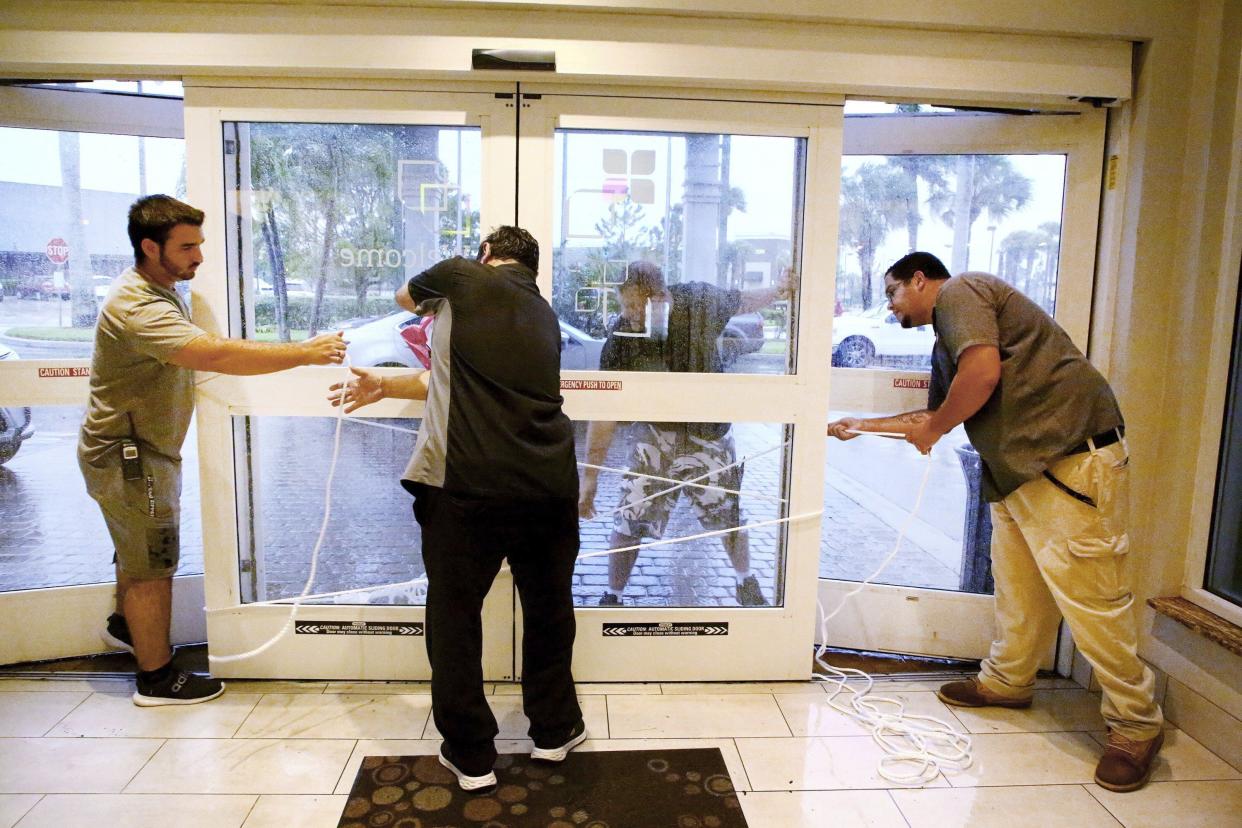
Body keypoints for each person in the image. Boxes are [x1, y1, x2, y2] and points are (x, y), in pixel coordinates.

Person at [826, 251, 1163, 793]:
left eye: (893, 292)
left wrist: (934, 427)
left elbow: (981, 376)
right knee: (1019, 589)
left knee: (1092, 599)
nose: (890, 307)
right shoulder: (948, 344)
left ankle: (1137, 723)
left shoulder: (963, 291)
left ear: (920, 279)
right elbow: (931, 416)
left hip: (1069, 462)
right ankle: (1008, 682)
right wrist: (858, 424)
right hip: (1019, 474)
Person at [329, 226, 584, 794]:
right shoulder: (541, 313)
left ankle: (471, 756)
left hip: (467, 486)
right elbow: (456, 381)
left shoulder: (461, 277)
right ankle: (554, 729)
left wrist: (442, 289)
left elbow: (403, 299)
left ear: (485, 255)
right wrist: (389, 387)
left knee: (455, 617)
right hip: (548, 485)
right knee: (548, 610)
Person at [83, 195, 347, 706]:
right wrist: (305, 352)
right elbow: (215, 354)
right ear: (149, 247)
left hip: (139, 450)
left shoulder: (160, 289)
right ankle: (156, 680)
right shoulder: (135, 306)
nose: (198, 257)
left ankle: (130, 628)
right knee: (152, 563)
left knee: (136, 551)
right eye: (186, 247)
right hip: (129, 456)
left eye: (199, 245)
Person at [578, 261, 790, 607]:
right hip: (657, 437)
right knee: (630, 518)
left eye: (635, 306)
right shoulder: (621, 337)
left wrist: (780, 291)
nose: (628, 315)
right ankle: (612, 597)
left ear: (660, 296)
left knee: (729, 514)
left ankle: (745, 582)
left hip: (708, 433)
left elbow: (744, 301)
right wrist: (590, 480)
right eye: (624, 306)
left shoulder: (699, 301)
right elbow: (604, 412)